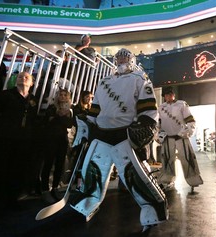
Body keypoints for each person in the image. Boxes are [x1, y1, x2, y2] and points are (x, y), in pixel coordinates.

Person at [70, 48, 168, 231]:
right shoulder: (104, 81)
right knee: (93, 172)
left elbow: (148, 108)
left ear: (131, 59)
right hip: (101, 133)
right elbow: (96, 108)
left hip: (125, 134)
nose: (121, 59)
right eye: (119, 57)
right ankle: (87, 204)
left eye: (125, 56)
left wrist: (145, 126)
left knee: (136, 177)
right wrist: (87, 123)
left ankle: (153, 211)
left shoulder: (140, 78)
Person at [0, 72, 39, 210]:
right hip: (5, 137)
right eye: (20, 77)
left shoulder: (33, 99)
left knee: (17, 169)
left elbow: (33, 120)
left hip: (23, 140)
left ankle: (12, 199)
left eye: (26, 77)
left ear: (32, 83)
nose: (23, 78)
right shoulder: (5, 95)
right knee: (1, 168)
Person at [157, 86, 203, 193]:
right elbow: (158, 123)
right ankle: (167, 180)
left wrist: (187, 131)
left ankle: (193, 180)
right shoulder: (160, 107)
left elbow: (190, 120)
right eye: (166, 95)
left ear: (174, 94)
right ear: (164, 96)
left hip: (181, 137)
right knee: (167, 160)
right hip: (167, 138)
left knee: (187, 158)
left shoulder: (182, 104)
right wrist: (158, 135)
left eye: (170, 94)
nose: (169, 96)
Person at [40, 88, 73, 200]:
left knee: (60, 165)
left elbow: (69, 125)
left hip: (62, 140)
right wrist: (58, 115)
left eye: (65, 95)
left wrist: (65, 115)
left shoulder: (70, 110)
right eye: (61, 94)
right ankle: (44, 189)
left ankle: (55, 188)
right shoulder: (52, 108)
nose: (63, 97)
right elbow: (47, 122)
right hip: (51, 139)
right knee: (48, 164)